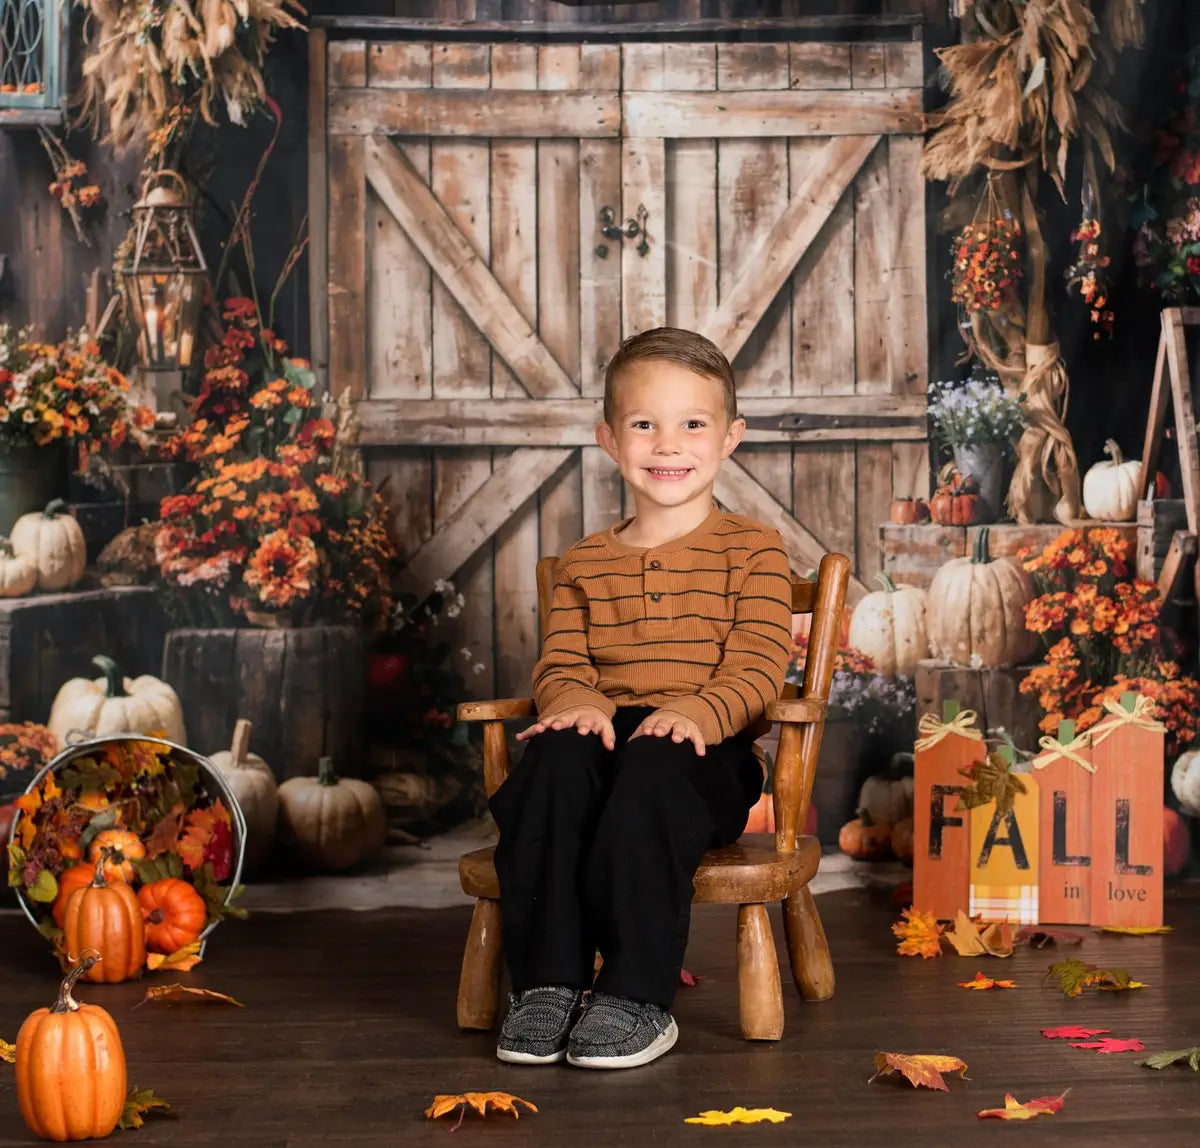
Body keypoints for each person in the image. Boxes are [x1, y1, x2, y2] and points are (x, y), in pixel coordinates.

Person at [489, 327, 793, 1070]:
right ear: (609, 438)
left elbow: (758, 667)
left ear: (730, 439)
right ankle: (547, 986)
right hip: (606, 735)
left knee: (652, 771)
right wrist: (576, 701)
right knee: (553, 765)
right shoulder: (583, 564)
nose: (668, 444)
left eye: (693, 423)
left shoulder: (754, 551)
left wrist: (698, 711)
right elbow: (560, 664)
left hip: (705, 751)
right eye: (644, 424)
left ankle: (635, 994)